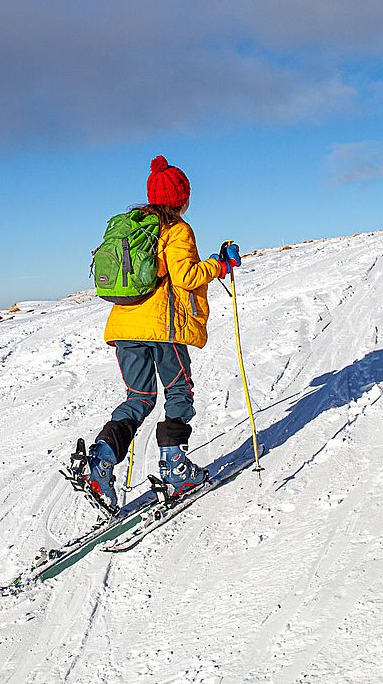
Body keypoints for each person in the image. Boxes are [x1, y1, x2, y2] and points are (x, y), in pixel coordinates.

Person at [76, 155, 241, 511]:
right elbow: (186, 277)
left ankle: (100, 463)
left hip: (124, 327)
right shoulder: (177, 229)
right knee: (179, 390)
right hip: (163, 328)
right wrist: (220, 264)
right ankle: (176, 469)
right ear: (182, 198)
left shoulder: (135, 228)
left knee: (139, 398)